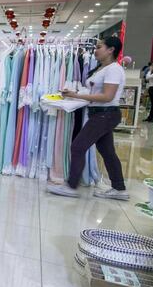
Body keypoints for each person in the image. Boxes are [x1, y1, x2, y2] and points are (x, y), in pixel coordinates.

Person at [47, 36, 129, 200]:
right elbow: (95, 94)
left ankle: (71, 186)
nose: (96, 50)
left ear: (111, 49)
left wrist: (78, 95)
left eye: (99, 47)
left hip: (105, 114)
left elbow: (107, 96)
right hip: (101, 113)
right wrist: (73, 96)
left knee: (78, 146)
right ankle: (119, 189)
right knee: (107, 152)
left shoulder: (113, 69)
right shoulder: (103, 68)